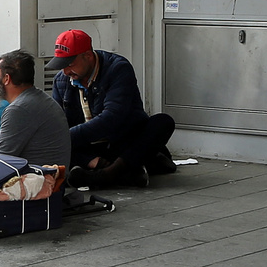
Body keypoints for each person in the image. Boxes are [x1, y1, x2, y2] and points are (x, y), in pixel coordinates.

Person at [46, 28, 176, 188]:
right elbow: (58, 124)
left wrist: (65, 138)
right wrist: (86, 157)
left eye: (70, 64)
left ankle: (109, 173)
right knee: (52, 142)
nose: (66, 71)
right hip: (90, 148)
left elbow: (112, 118)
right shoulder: (62, 80)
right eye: (62, 66)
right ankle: (123, 171)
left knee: (162, 122)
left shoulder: (118, 69)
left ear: (87, 56)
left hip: (121, 139)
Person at [0, 50, 70, 165]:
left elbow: (0, 161)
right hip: (48, 177)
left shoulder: (19, 109)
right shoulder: (39, 99)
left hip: (37, 180)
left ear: (6, 79)